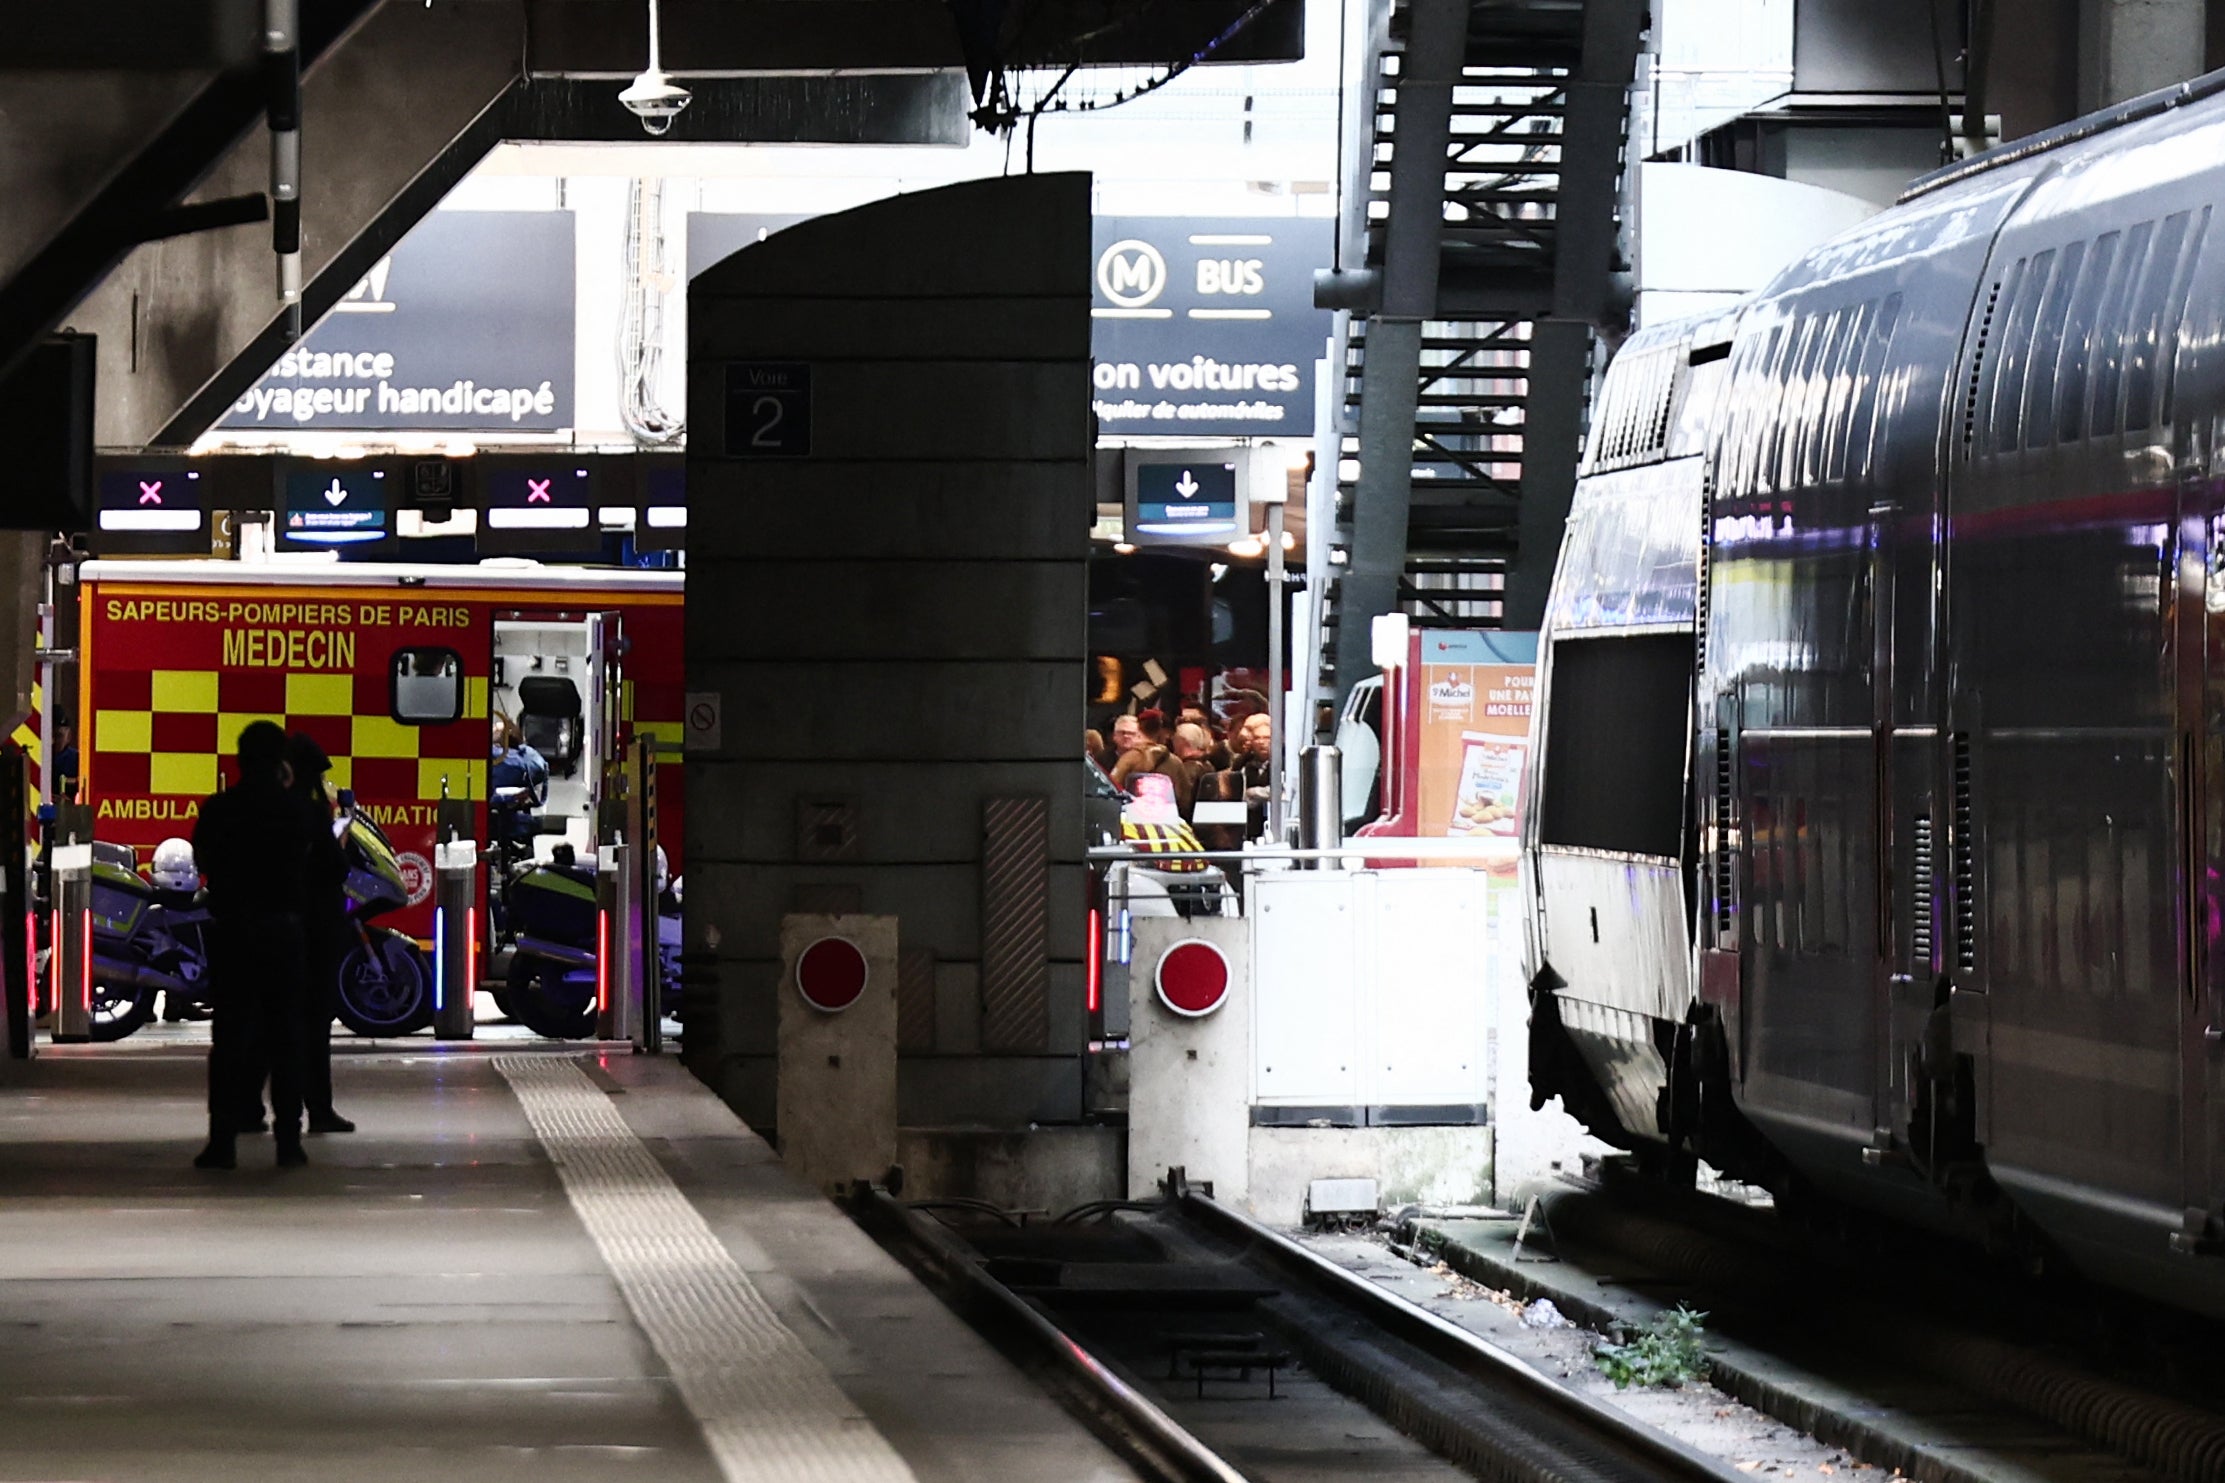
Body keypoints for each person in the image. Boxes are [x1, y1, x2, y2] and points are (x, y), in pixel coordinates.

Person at [190, 722, 323, 1170]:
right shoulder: (297, 812)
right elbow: (313, 862)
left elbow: (204, 862)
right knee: (286, 1036)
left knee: (229, 1038)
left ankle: (222, 1141)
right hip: (284, 933)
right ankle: (289, 1140)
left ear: (240, 759)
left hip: (233, 932)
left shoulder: (219, 810)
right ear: (281, 762)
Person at [287, 733, 354, 1135]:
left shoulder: (261, 809)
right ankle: (318, 1109)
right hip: (315, 928)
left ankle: (256, 1110)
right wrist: (339, 837)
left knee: (272, 1026)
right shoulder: (311, 814)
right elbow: (336, 868)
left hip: (274, 927)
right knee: (314, 1027)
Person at [489, 711, 550, 856]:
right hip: (510, 822)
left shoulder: (504, 758)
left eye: (496, 728)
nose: (492, 729)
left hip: (506, 823)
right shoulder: (530, 758)